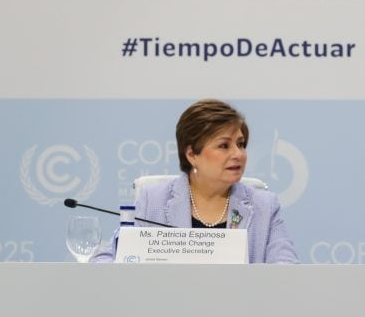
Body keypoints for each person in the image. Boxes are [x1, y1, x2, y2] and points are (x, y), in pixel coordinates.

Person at [92, 99, 298, 263]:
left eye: (241, 144)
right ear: (192, 154)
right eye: (224, 146)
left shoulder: (264, 206)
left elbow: (286, 270)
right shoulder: (152, 201)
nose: (239, 154)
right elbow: (105, 260)